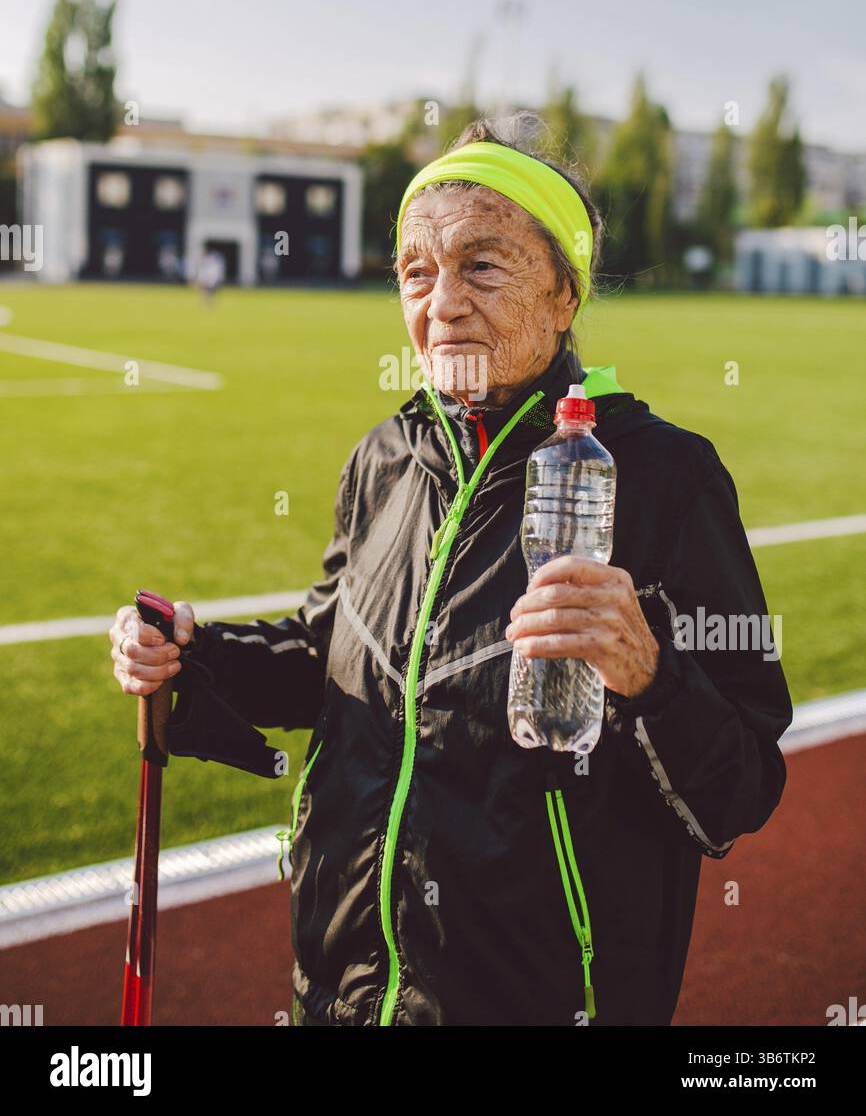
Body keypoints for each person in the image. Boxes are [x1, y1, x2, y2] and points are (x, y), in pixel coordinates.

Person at [109, 115, 793, 1027]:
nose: (442, 304)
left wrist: (648, 675)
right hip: (344, 992)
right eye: (416, 272)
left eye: (483, 265)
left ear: (564, 294)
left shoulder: (664, 477)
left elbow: (741, 786)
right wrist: (193, 656)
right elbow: (332, 661)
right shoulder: (382, 457)